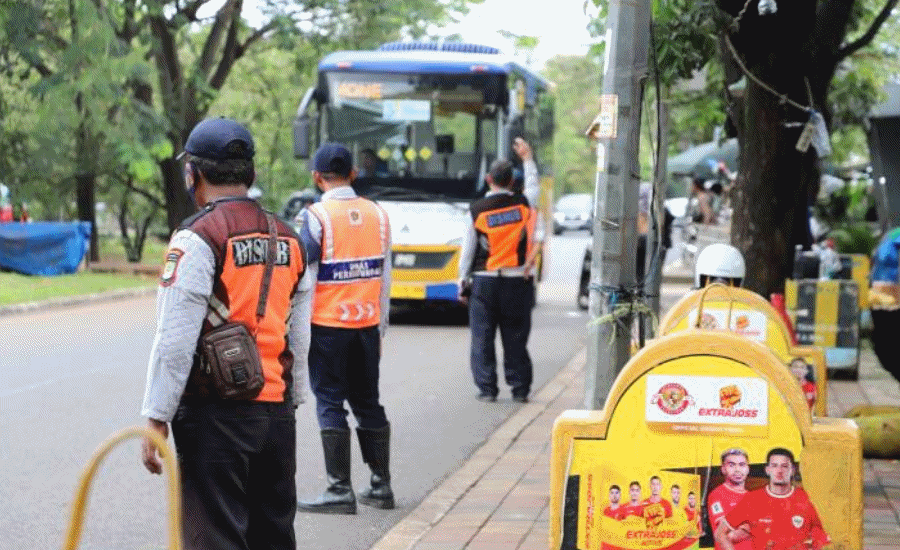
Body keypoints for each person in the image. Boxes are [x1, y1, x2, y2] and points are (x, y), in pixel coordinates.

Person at [140, 118, 309, 550]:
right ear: (250, 175)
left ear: (192, 174)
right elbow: (299, 335)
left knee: (215, 538)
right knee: (273, 536)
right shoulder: (289, 239)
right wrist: (292, 397)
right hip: (276, 414)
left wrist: (156, 416)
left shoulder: (197, 238)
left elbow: (175, 341)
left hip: (216, 416)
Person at [295, 142, 394, 514]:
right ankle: (381, 486)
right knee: (368, 401)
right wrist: (380, 328)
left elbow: (304, 277)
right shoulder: (378, 215)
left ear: (317, 177)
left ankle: (340, 489)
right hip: (366, 326)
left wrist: (296, 331)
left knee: (331, 401)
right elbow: (386, 278)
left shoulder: (316, 217)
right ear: (353, 174)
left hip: (328, 328)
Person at [457, 157, 537, 403]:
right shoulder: (523, 204)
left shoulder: (477, 210)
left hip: (484, 281)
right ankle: (520, 389)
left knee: (482, 337)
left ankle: (487, 389)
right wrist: (528, 160)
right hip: (516, 280)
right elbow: (534, 187)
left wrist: (462, 282)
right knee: (515, 338)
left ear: (488, 180)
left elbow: (468, 250)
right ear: (512, 181)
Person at [715, 448, 831, 550]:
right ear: (767, 470)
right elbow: (720, 533)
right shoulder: (752, 499)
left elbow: (822, 535)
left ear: (793, 470)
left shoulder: (806, 498)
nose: (779, 471)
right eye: (774, 466)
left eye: (784, 466)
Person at [869, 226, 900, 381]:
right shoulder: (893, 236)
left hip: (885, 300)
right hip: (886, 299)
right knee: (886, 349)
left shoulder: (891, 236)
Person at [707, 448, 752, 550]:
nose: (737, 469)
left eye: (742, 465)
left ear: (748, 469)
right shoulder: (717, 495)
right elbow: (727, 535)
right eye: (732, 465)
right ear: (723, 469)